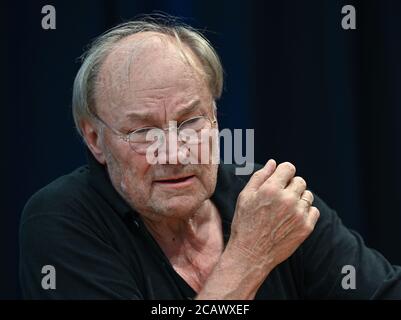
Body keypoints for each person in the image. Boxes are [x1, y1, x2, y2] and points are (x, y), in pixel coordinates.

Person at [20, 16, 401, 299]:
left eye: (190, 121)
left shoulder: (264, 201)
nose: (173, 152)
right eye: (143, 131)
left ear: (216, 118)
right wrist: (249, 255)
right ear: (95, 139)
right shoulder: (62, 218)